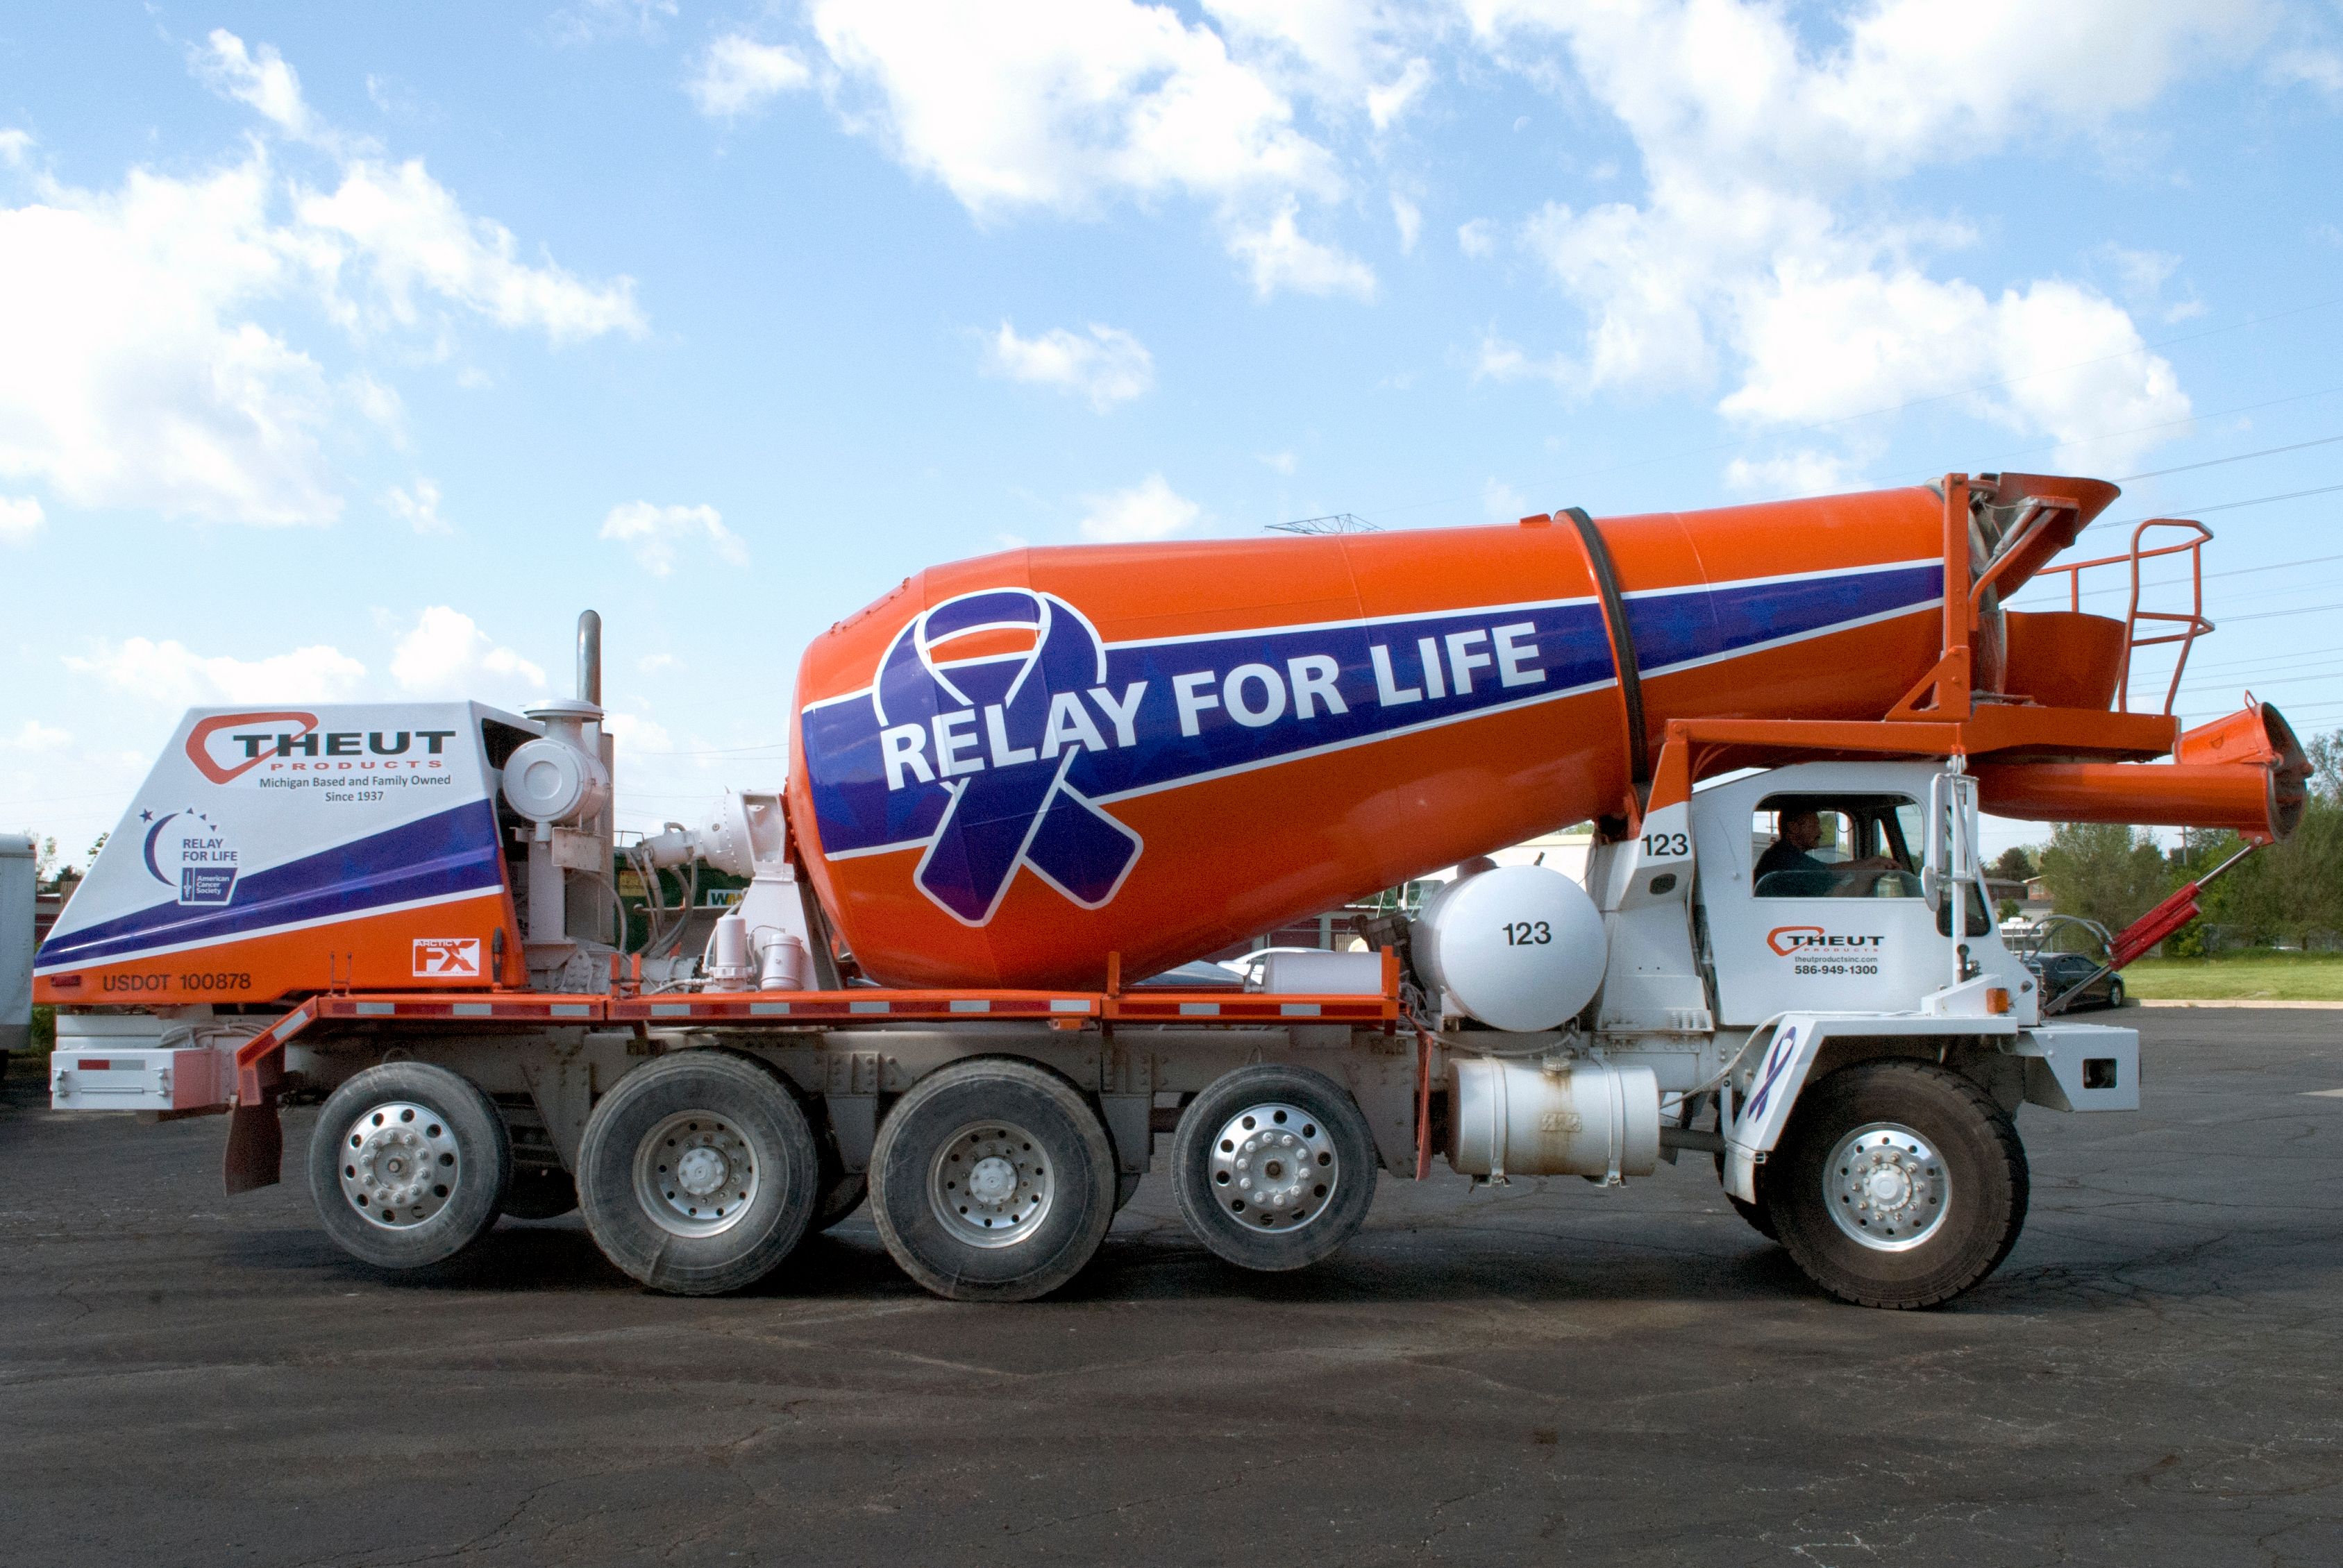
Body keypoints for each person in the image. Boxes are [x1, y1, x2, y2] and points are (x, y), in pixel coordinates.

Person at [1755, 808, 1896, 897]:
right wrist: (1869, 869)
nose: (1820, 831)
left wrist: (1869, 865)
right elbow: (1829, 874)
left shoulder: (1785, 854)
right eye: (1814, 825)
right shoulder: (1783, 857)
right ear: (1793, 827)